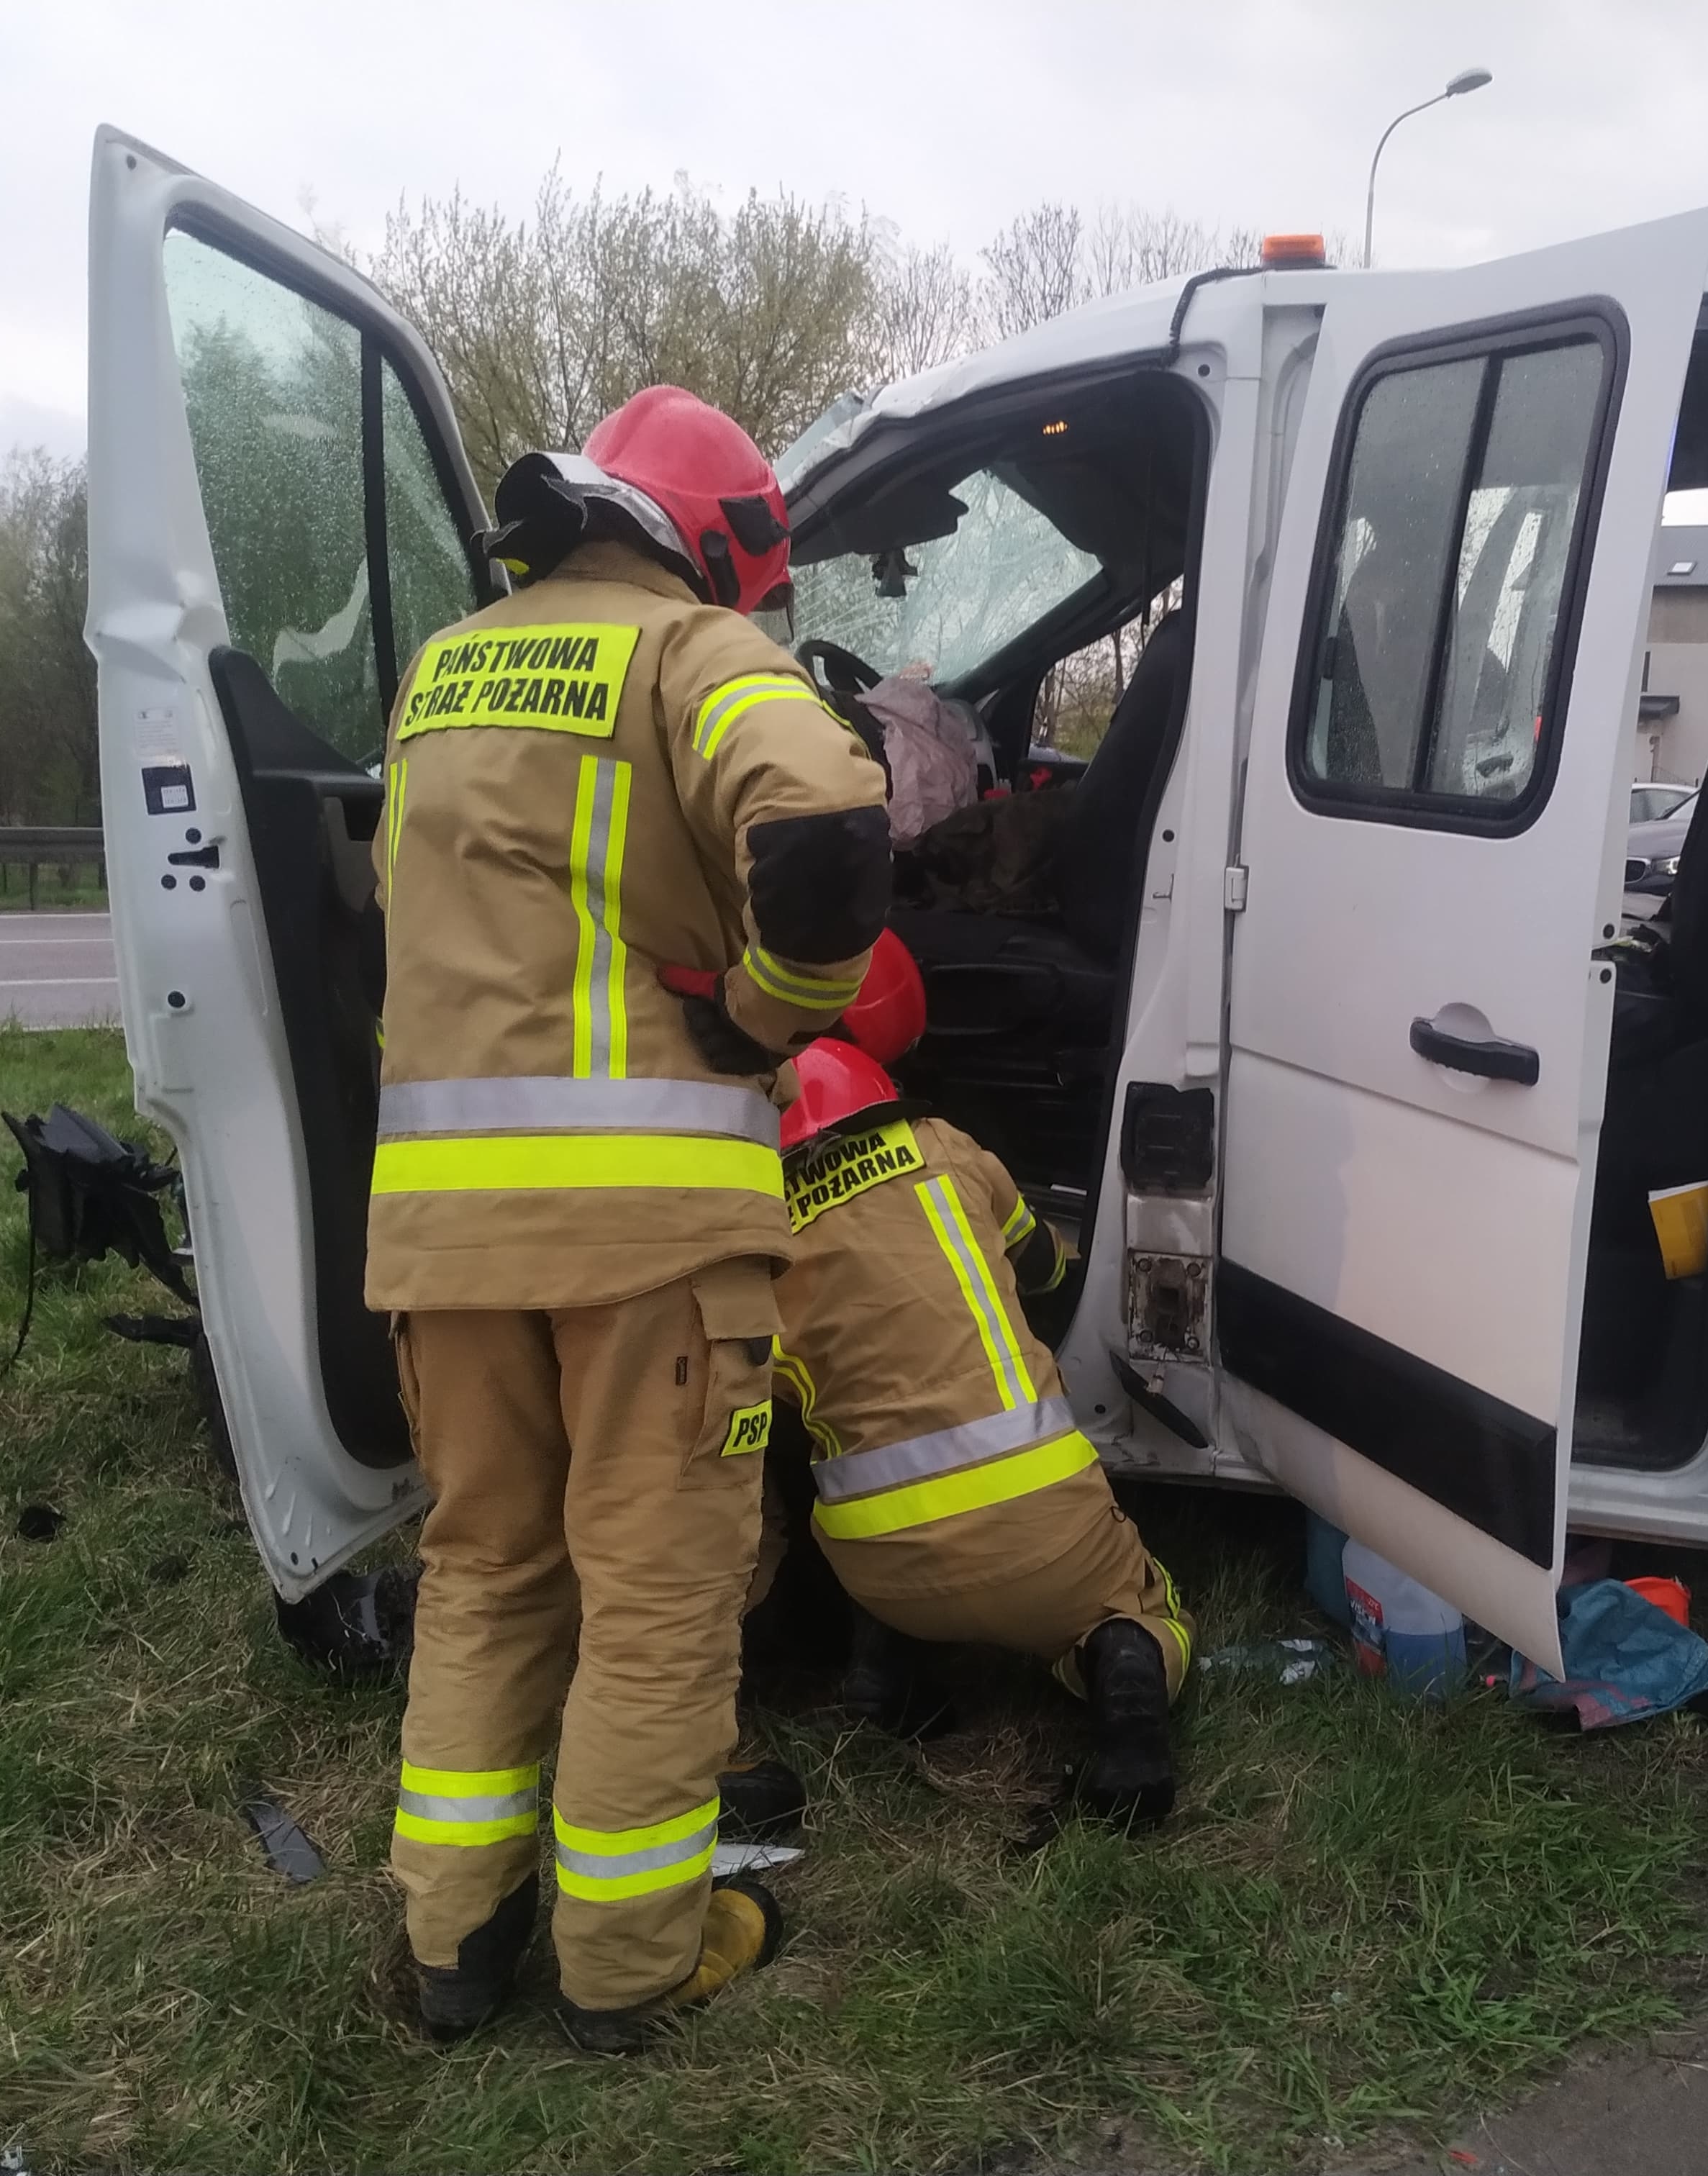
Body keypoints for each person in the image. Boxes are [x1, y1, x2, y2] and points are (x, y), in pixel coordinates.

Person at [370, 386, 891, 2053]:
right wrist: (764, 1009)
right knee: (659, 1598)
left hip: (443, 1239)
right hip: (649, 1240)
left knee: (485, 1573)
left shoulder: (443, 671)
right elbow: (824, 833)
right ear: (715, 549)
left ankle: (451, 1942)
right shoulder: (692, 656)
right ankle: (630, 1964)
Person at [765, 951, 1194, 1826]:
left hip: (877, 1565)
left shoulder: (757, 1220)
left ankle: (891, 1678)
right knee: (1146, 1610)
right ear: (881, 1090)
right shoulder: (948, 1149)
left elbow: (768, 1393)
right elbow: (1044, 1269)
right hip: (1047, 1542)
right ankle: (1128, 1731)